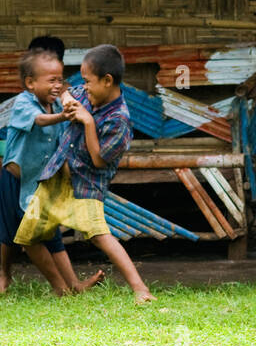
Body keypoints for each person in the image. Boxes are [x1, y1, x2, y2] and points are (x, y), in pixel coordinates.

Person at [15, 44, 155, 303]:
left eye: (89, 81)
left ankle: (140, 289)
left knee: (100, 236)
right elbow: (68, 92)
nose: (85, 87)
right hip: (54, 180)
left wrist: (88, 122)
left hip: (85, 186)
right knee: (28, 238)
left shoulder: (119, 120)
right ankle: (62, 288)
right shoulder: (86, 95)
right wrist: (68, 103)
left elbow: (99, 160)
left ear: (107, 80)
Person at [0, 46, 105, 295]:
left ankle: (73, 285)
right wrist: (64, 116)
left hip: (40, 183)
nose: (58, 85)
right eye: (51, 80)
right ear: (30, 83)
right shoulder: (24, 102)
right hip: (15, 182)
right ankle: (11, 277)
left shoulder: (54, 106)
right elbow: (39, 121)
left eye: (60, 79)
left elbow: (61, 147)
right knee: (14, 237)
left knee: (50, 237)